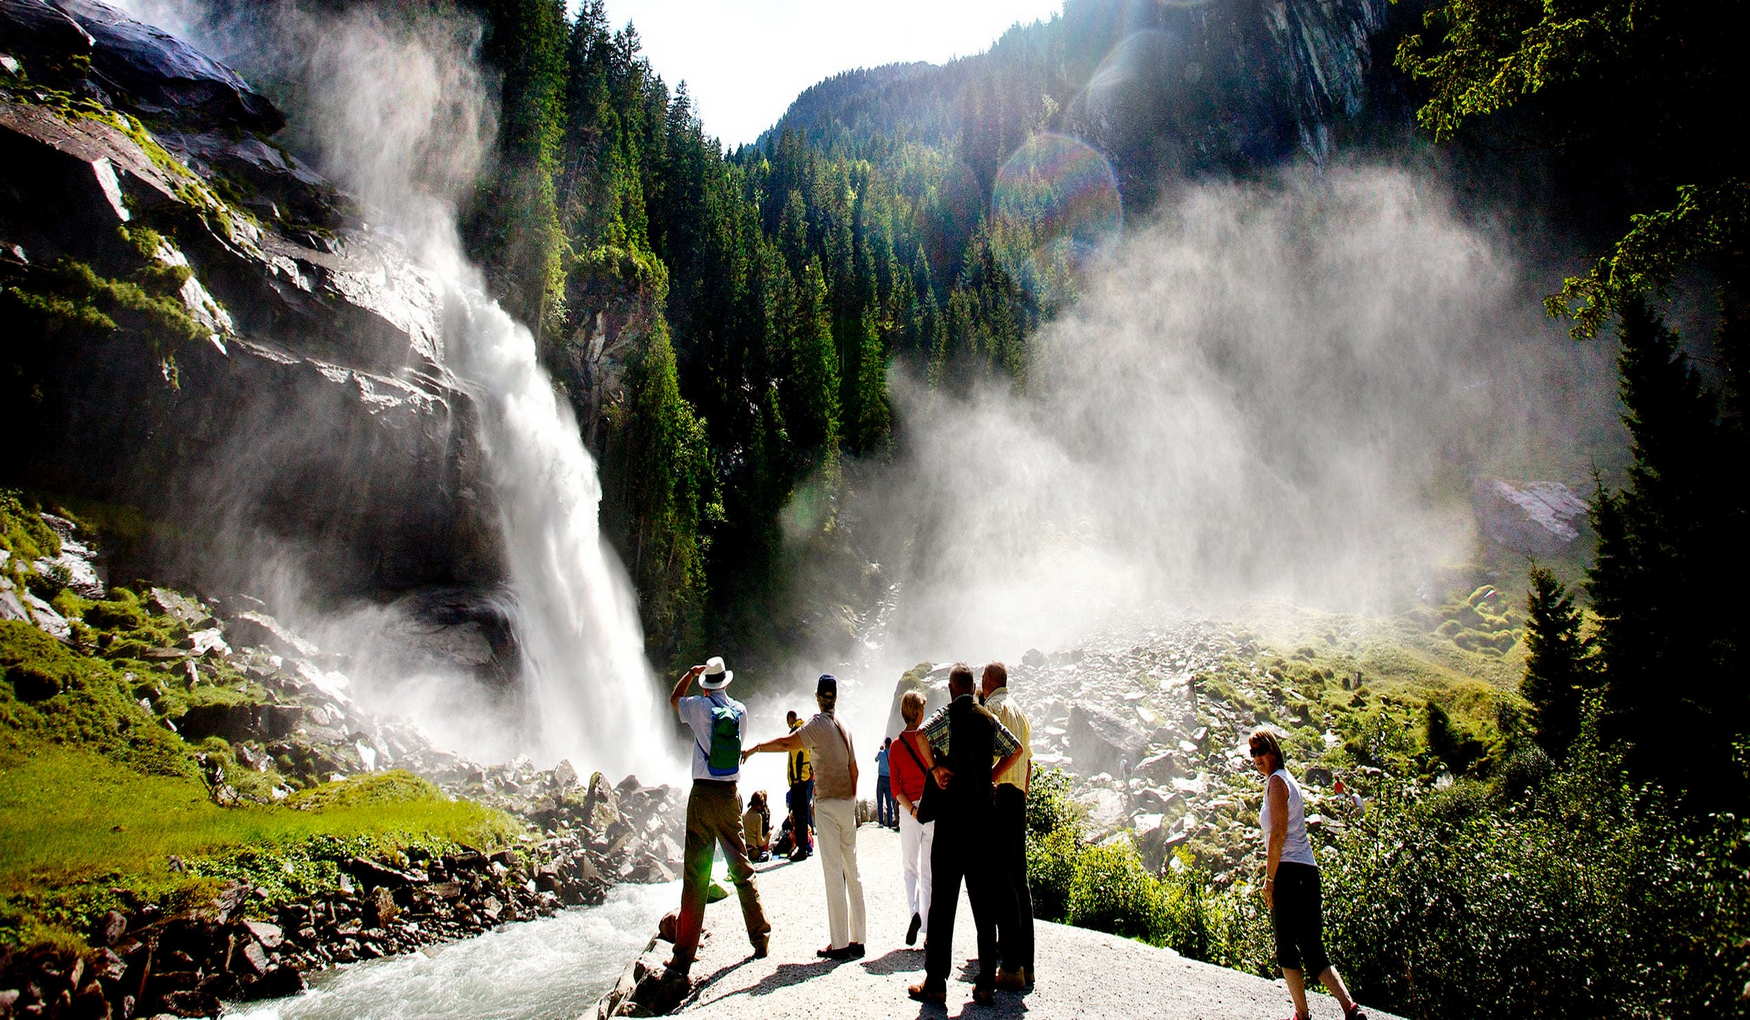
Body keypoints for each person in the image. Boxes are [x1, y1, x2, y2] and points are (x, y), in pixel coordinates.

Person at [907, 663, 1023, 1006]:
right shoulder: (988, 718)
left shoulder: (948, 714)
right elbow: (1014, 749)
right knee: (983, 905)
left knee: (943, 904)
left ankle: (936, 983)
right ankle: (986, 981)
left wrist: (936, 768)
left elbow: (921, 735)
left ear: (950, 687)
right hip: (983, 823)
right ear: (975, 688)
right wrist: (991, 775)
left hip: (951, 823)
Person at [745, 674, 866, 960]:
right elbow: (855, 770)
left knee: (833, 872)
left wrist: (756, 748)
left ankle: (839, 944)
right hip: (846, 802)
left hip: (825, 803)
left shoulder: (818, 724)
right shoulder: (844, 726)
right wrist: (850, 799)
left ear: (817, 696)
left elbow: (788, 744)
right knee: (853, 870)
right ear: (835, 696)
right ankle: (858, 940)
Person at [1250, 729, 1367, 1020]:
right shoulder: (1288, 780)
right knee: (1313, 947)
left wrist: (1269, 880)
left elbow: (1277, 835)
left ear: (1274, 750)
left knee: (1286, 946)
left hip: (1288, 872)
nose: (1257, 759)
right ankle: (1350, 1008)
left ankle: (1301, 1014)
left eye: (1261, 751)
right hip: (1308, 871)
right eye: (1252, 753)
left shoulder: (1277, 783)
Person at [665, 657, 771, 977]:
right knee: (741, 866)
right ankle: (760, 937)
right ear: (725, 681)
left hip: (702, 794)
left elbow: (673, 702)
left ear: (707, 683)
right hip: (729, 795)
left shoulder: (698, 706)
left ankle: (683, 955)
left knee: (696, 875)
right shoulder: (739, 710)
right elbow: (738, 749)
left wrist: (688, 675)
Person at [981, 661, 1034, 991]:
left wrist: (989, 779)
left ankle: (1009, 966)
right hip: (1019, 798)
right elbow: (1027, 761)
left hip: (999, 796)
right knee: (1019, 881)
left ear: (988, 681)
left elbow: (988, 755)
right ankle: (1026, 965)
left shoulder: (992, 709)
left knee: (1000, 882)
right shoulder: (1021, 711)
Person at [888, 689, 935, 949]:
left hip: (909, 812)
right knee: (928, 870)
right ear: (917, 713)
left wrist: (912, 810)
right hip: (930, 810)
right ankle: (927, 927)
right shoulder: (927, 740)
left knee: (909, 868)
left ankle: (914, 913)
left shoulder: (895, 746)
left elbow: (895, 789)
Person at [784, 710, 815, 861]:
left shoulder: (796, 732)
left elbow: (796, 757)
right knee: (803, 812)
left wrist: (795, 778)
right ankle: (805, 845)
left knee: (799, 815)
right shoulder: (806, 729)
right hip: (805, 778)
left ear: (791, 718)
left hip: (799, 780)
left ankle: (803, 848)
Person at [744, 791, 772, 863]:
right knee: (766, 854)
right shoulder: (758, 816)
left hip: (744, 852)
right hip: (753, 853)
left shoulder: (744, 815)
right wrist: (768, 836)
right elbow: (760, 842)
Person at [875, 737, 897, 828]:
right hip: (889, 779)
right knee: (889, 801)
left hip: (881, 779)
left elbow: (876, 759)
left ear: (885, 743)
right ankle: (890, 823)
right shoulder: (892, 754)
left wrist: (881, 750)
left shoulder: (881, 753)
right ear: (891, 744)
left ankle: (880, 822)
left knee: (880, 801)